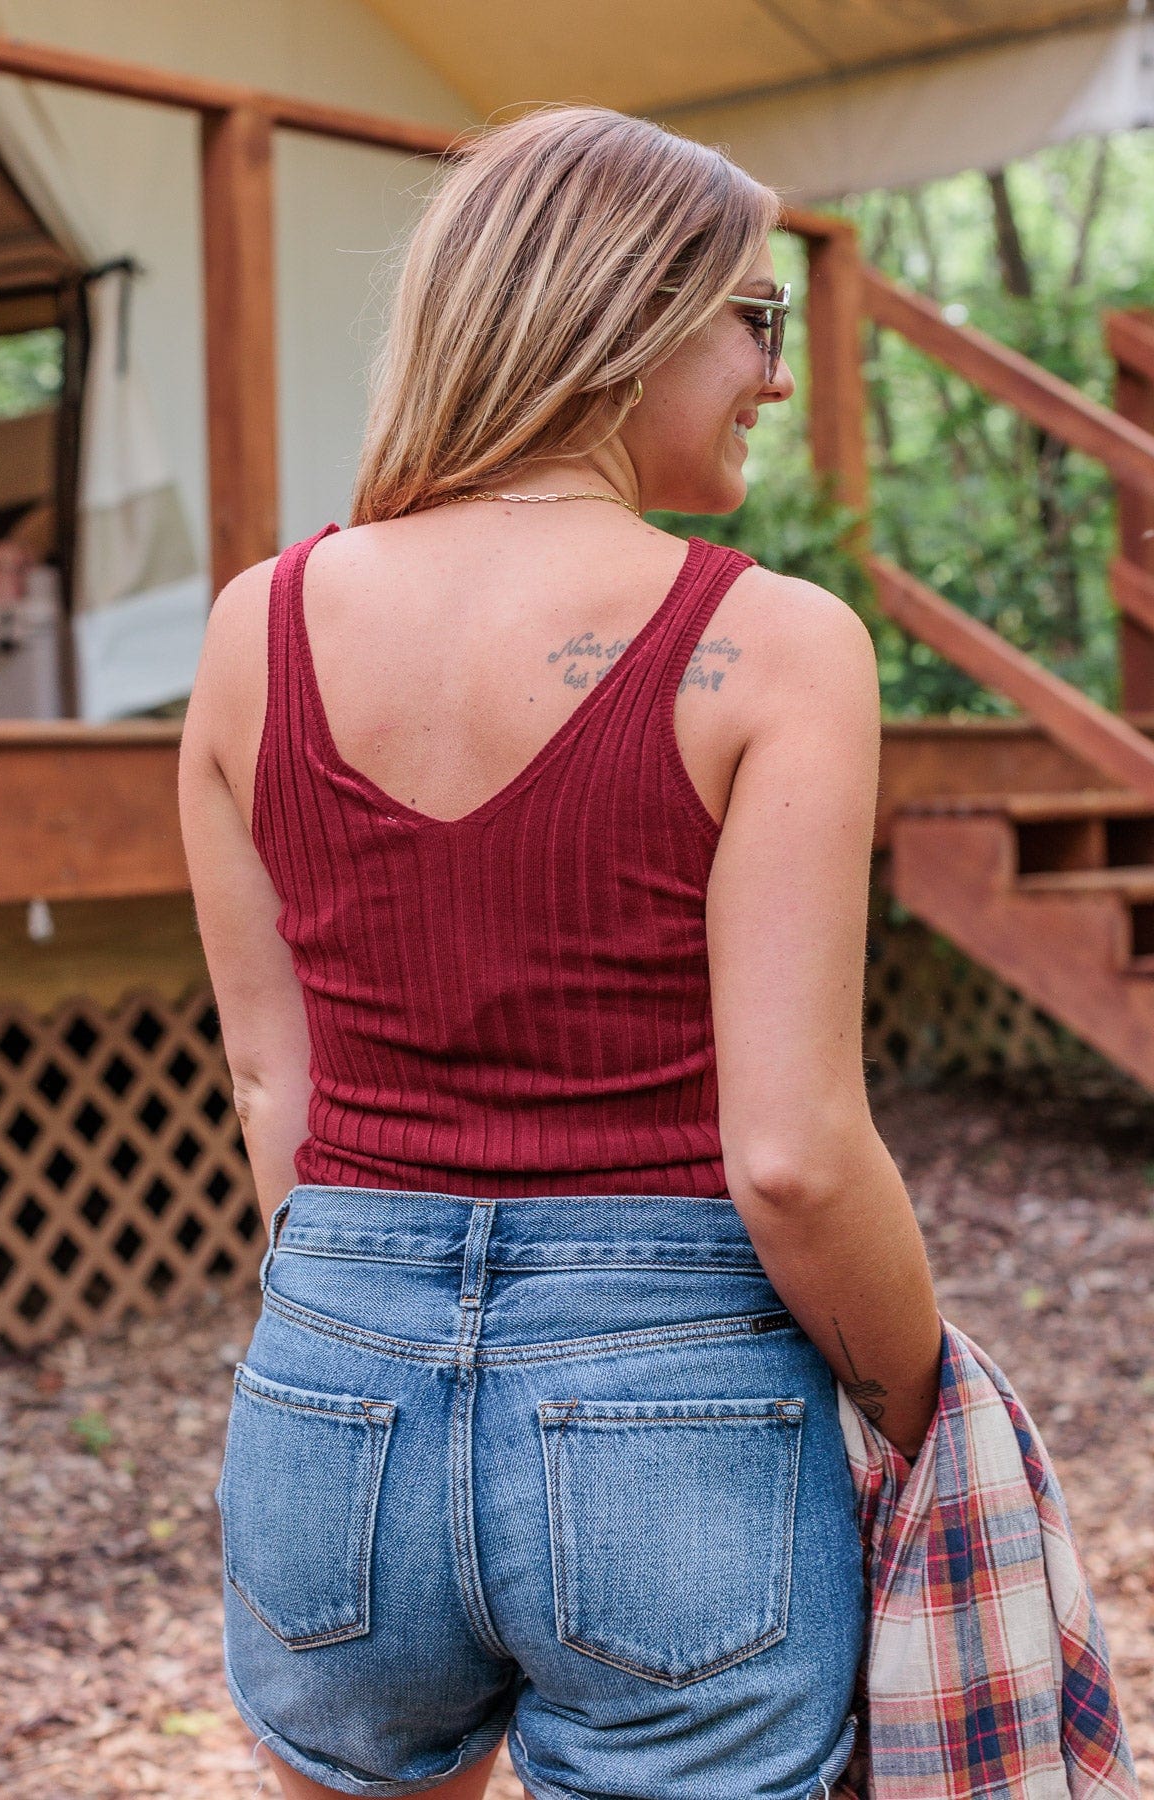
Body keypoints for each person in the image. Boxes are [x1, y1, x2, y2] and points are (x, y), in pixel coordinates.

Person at [178, 104, 943, 1800]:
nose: (771, 373)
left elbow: (267, 1082)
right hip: (676, 1412)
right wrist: (921, 1403)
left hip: (331, 1387)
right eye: (756, 319)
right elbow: (796, 1157)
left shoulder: (255, 629)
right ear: (629, 311)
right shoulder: (771, 647)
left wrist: (370, 1324)